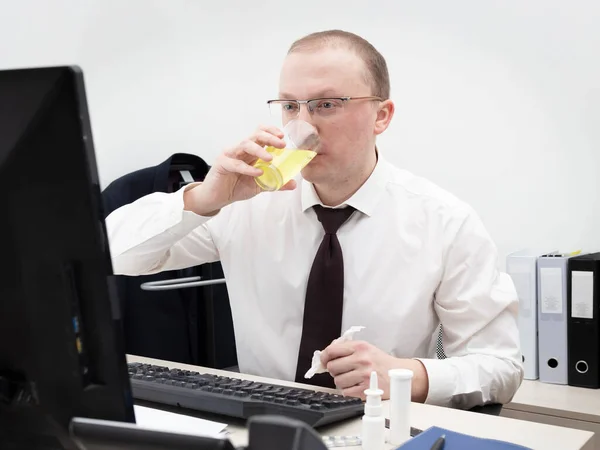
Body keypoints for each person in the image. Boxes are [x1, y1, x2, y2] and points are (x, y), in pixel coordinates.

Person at [105, 29, 523, 409]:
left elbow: (501, 365)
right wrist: (204, 197)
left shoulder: (445, 221)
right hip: (261, 420)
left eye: (326, 105)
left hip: (378, 425)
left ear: (382, 116)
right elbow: (110, 256)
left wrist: (405, 374)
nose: (302, 125)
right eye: (290, 106)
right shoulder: (246, 204)